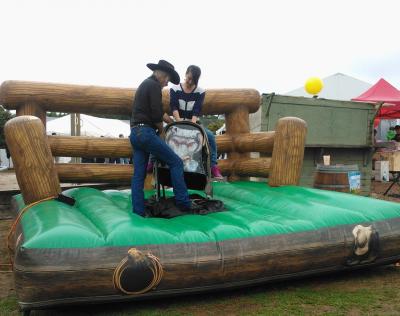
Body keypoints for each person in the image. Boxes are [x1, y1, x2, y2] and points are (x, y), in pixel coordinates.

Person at [130, 60, 192, 216]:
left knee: (139, 174)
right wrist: (163, 132)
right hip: (146, 133)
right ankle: (184, 203)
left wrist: (171, 121)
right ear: (161, 74)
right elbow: (156, 114)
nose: (166, 83)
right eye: (166, 79)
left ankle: (138, 210)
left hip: (135, 134)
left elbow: (156, 111)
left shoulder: (145, 84)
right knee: (176, 162)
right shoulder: (154, 86)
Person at [169, 65, 223, 179]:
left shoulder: (200, 91)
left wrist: (192, 125)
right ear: (185, 74)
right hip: (177, 123)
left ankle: (213, 166)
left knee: (210, 137)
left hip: (193, 123)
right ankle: (154, 164)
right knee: (162, 136)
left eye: (193, 80)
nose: (189, 81)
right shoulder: (174, 88)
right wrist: (179, 122)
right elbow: (173, 106)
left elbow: (196, 109)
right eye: (188, 78)